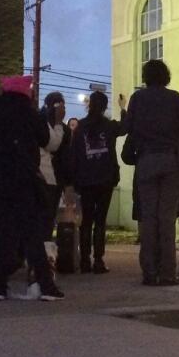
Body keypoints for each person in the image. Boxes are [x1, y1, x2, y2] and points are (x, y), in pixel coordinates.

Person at [0, 75, 64, 301]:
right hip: (23, 180)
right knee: (32, 233)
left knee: (1, 232)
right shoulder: (29, 114)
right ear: (26, 93)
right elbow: (46, 140)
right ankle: (46, 287)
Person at [123, 59, 179, 286]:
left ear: (146, 76)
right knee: (167, 218)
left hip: (146, 161)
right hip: (171, 162)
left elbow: (129, 128)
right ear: (165, 76)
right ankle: (168, 272)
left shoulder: (137, 99)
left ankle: (149, 271)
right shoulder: (174, 98)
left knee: (149, 218)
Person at [69, 91, 127, 274]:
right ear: (104, 106)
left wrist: (73, 179)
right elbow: (125, 127)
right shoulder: (108, 126)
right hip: (105, 179)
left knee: (86, 220)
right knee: (100, 220)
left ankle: (85, 260)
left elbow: (74, 155)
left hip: (85, 180)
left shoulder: (80, 128)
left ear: (89, 105)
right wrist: (123, 107)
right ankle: (98, 260)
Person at [37, 92, 71, 247]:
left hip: (53, 177)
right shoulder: (44, 124)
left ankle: (42, 253)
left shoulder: (64, 129)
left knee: (47, 217)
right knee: (45, 217)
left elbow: (65, 157)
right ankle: (41, 254)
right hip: (45, 176)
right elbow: (53, 145)